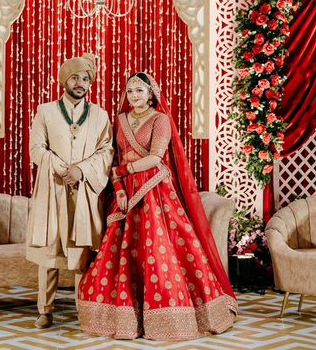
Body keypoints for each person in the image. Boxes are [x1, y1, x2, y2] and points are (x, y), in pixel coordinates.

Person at [77, 72, 237, 340]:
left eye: (139, 91)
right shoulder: (120, 120)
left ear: (151, 94)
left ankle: (169, 316)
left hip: (154, 191)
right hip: (125, 191)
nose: (134, 96)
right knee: (121, 253)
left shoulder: (160, 119)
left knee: (156, 249)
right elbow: (114, 160)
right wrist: (118, 187)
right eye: (130, 91)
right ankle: (126, 317)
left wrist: (123, 171)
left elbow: (155, 158)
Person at [26, 53, 114, 329]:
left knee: (82, 254)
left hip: (85, 191)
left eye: (85, 78)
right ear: (64, 80)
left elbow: (106, 151)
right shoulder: (46, 111)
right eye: (74, 77)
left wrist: (81, 171)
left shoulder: (99, 115)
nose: (80, 83)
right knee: (50, 252)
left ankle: (82, 310)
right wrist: (62, 168)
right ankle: (45, 310)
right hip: (53, 189)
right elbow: (36, 149)